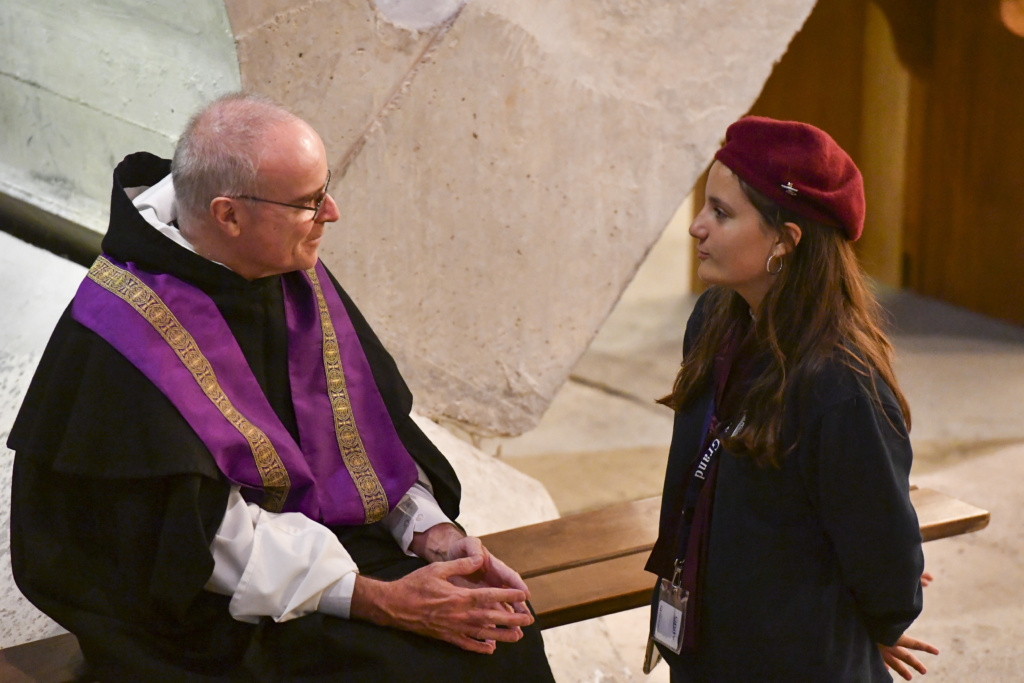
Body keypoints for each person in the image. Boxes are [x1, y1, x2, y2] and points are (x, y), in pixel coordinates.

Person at [9, 92, 554, 682]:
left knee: (502, 632)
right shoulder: (122, 329)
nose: (333, 213)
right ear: (228, 215)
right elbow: (189, 536)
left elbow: (369, 437)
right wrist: (380, 600)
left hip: (322, 549)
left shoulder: (283, 264)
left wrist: (428, 531)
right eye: (310, 201)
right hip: (197, 601)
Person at [644, 116, 939, 681]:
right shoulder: (715, 321)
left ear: (786, 239)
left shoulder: (842, 384)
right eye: (705, 205)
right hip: (711, 627)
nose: (696, 228)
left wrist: (871, 623)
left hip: (791, 655)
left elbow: (886, 564)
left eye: (722, 213)